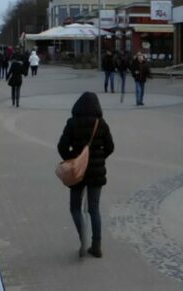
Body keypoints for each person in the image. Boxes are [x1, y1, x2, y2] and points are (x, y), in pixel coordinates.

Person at [57, 92, 114, 258]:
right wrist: (99, 158)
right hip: (96, 172)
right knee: (94, 209)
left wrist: (71, 158)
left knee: (75, 207)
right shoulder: (101, 123)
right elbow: (110, 146)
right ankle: (96, 246)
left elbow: (62, 145)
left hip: (77, 171)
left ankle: (83, 239)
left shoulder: (72, 123)